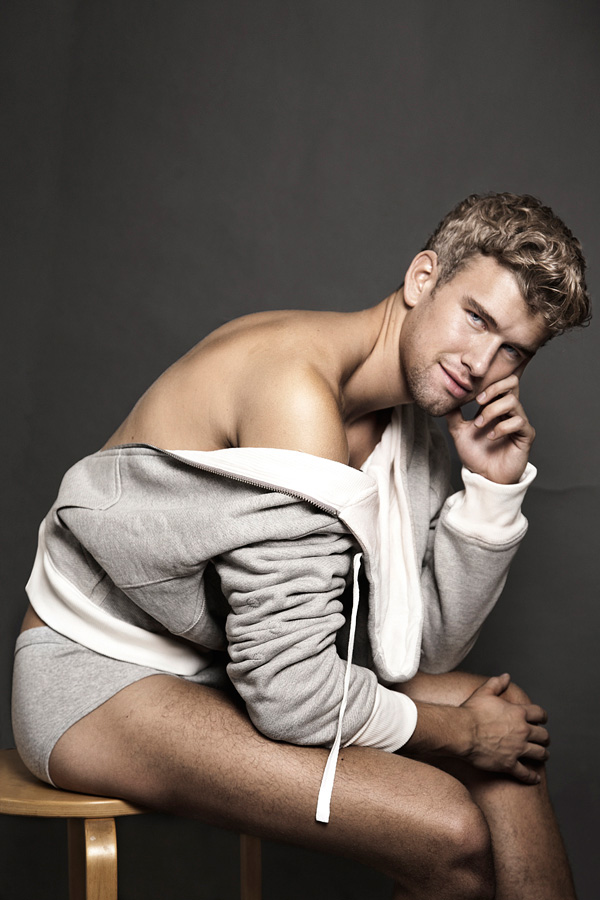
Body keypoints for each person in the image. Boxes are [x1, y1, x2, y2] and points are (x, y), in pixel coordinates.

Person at [13, 193, 591, 899]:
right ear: (423, 278)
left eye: (513, 352)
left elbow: (424, 650)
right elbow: (291, 695)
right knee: (447, 829)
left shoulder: (407, 434)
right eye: (476, 318)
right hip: (96, 676)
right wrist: (464, 736)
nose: (481, 364)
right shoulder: (294, 392)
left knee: (512, 732)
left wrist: (490, 494)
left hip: (225, 672)